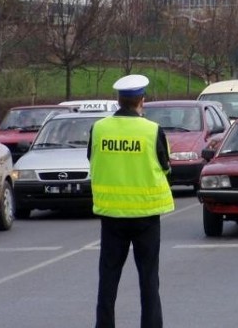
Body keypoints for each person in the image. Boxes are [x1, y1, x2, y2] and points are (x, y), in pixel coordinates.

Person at [87, 74, 175, 328]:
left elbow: (92, 160)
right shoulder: (152, 130)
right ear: (141, 101)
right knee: (149, 280)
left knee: (108, 280)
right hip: (146, 216)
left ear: (119, 100)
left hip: (111, 216)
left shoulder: (99, 129)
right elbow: (165, 167)